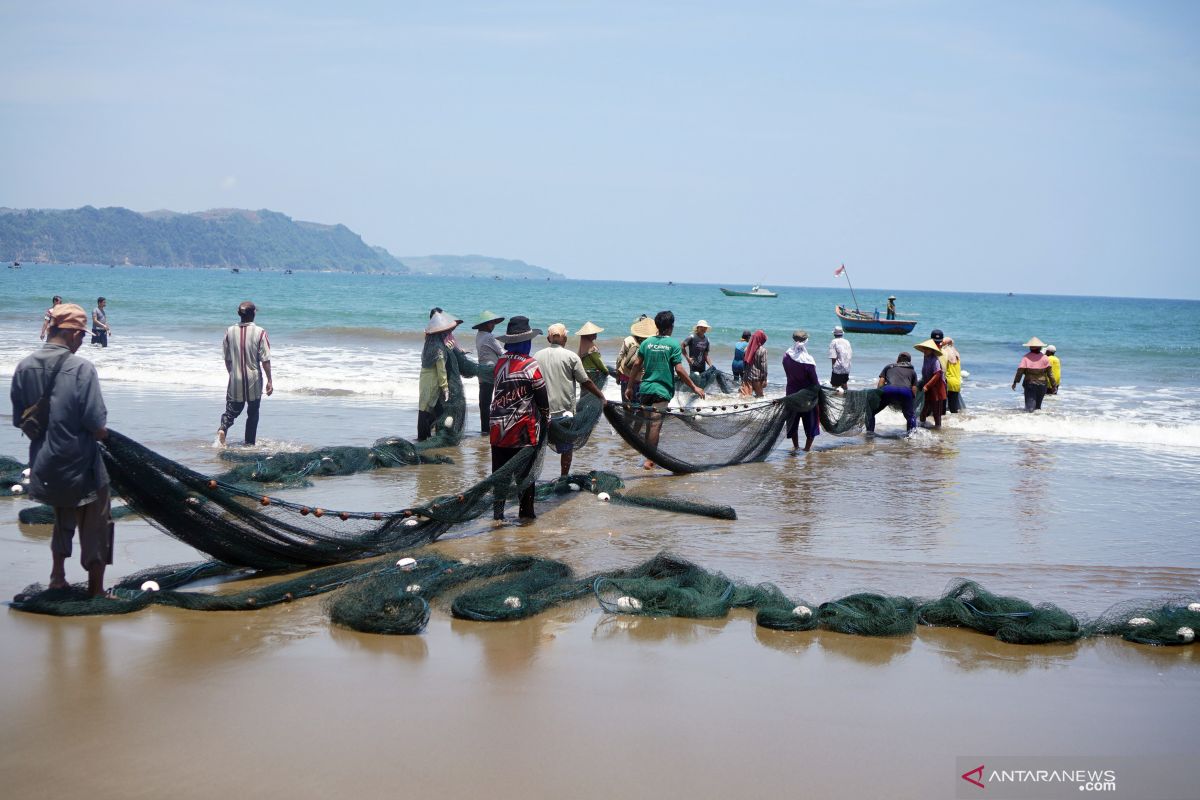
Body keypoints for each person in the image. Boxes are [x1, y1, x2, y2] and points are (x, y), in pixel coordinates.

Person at [10, 303, 113, 597]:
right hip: (80, 462)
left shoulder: (24, 366)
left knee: (63, 514)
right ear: (69, 333)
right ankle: (96, 590)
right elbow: (95, 423)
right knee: (98, 522)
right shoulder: (82, 369)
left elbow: (20, 419)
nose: (82, 341)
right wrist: (104, 435)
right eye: (80, 336)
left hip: (44, 465)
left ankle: (57, 576)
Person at [628, 310, 706, 470]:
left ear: (656, 326)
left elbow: (636, 364)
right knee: (655, 425)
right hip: (661, 391)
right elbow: (679, 369)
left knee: (649, 424)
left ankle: (648, 457)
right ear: (670, 327)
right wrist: (694, 386)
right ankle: (650, 460)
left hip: (645, 389)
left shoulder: (646, 343)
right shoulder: (672, 344)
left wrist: (629, 387)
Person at [489, 316, 549, 520]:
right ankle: (526, 515)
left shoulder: (500, 362)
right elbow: (542, 396)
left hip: (497, 428)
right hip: (522, 430)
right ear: (525, 342)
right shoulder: (530, 365)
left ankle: (498, 516)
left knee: (500, 475)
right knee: (525, 476)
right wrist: (546, 418)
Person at [534, 323, 606, 476]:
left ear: (548, 338)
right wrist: (600, 395)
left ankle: (531, 477)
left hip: (541, 412)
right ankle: (564, 477)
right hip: (564, 412)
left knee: (536, 447)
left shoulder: (536, 356)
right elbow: (585, 381)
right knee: (567, 447)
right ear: (565, 339)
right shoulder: (571, 357)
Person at [218, 301, 273, 446]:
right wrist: (269, 381)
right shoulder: (260, 332)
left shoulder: (229, 331)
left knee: (231, 410)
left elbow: (227, 358)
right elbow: (265, 360)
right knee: (253, 413)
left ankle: (223, 428)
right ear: (253, 314)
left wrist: (232, 374)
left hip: (235, 378)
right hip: (254, 379)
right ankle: (249, 444)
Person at [417, 311, 460, 441]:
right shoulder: (439, 348)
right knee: (429, 412)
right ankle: (426, 439)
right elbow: (441, 370)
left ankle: (424, 437)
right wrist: (445, 388)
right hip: (433, 381)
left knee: (424, 409)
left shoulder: (428, 344)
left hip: (424, 379)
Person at [782, 330, 820, 451]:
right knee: (811, 422)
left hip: (791, 394)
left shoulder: (786, 356)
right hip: (807, 398)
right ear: (806, 341)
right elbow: (814, 381)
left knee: (793, 421)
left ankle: (796, 447)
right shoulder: (808, 360)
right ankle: (807, 450)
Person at [867, 352, 919, 433]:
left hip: (888, 390)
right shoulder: (912, 371)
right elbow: (914, 388)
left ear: (897, 360)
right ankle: (911, 437)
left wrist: (879, 396)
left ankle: (869, 434)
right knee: (910, 417)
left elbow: (881, 382)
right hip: (905, 392)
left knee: (871, 412)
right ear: (910, 361)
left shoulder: (888, 367)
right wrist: (911, 401)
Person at [472, 310, 505, 434]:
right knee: (493, 401)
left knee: (484, 402)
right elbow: (502, 353)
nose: (493, 325)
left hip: (481, 371)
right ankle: (489, 430)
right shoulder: (489, 337)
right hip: (491, 371)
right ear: (485, 324)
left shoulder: (479, 335)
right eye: (491, 323)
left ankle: (485, 429)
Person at [616, 315, 656, 402]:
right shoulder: (652, 343)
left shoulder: (628, 339)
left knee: (626, 403)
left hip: (626, 376)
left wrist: (617, 375)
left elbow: (619, 358)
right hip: (642, 379)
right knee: (640, 405)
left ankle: (626, 414)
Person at [1012, 337, 1056, 412]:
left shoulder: (1026, 358)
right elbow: (1050, 374)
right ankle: (1038, 422)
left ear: (1030, 348)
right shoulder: (1045, 358)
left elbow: (1020, 371)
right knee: (1038, 408)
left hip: (1030, 384)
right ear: (1040, 348)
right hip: (1042, 384)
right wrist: (1054, 385)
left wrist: (1015, 382)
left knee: (1029, 408)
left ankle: (1029, 421)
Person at [915, 338, 945, 428]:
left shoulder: (935, 360)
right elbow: (925, 374)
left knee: (936, 411)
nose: (924, 351)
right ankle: (921, 426)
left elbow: (938, 374)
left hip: (937, 387)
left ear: (932, 350)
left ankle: (938, 428)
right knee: (923, 408)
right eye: (924, 349)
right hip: (927, 386)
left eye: (926, 349)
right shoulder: (926, 358)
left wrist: (927, 386)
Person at [740, 329, 768, 397]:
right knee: (760, 397)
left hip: (747, 377)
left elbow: (744, 363)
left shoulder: (746, 349)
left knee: (745, 397)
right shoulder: (763, 350)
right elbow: (764, 367)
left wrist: (745, 375)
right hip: (757, 378)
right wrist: (764, 379)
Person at [940, 336, 964, 413]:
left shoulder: (945, 353)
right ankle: (954, 422)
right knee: (953, 408)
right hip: (957, 383)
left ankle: (943, 423)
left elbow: (942, 369)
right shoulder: (957, 354)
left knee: (942, 408)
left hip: (947, 382)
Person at [828, 326, 852, 391]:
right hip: (847, 367)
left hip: (838, 368)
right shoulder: (847, 342)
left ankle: (836, 399)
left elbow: (833, 357)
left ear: (834, 334)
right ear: (842, 334)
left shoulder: (833, 342)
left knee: (835, 386)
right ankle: (846, 397)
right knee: (844, 383)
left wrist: (833, 367)